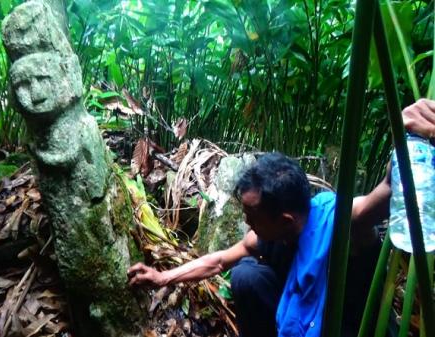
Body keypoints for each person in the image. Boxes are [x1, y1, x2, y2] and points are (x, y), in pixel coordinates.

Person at [127, 99, 435, 337]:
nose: (247, 223)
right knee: (247, 274)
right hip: (304, 318)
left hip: (352, 327)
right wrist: (161, 277)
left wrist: (409, 136)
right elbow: (219, 261)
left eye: (252, 216)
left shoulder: (341, 224)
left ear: (285, 219)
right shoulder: (272, 234)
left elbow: (386, 192)